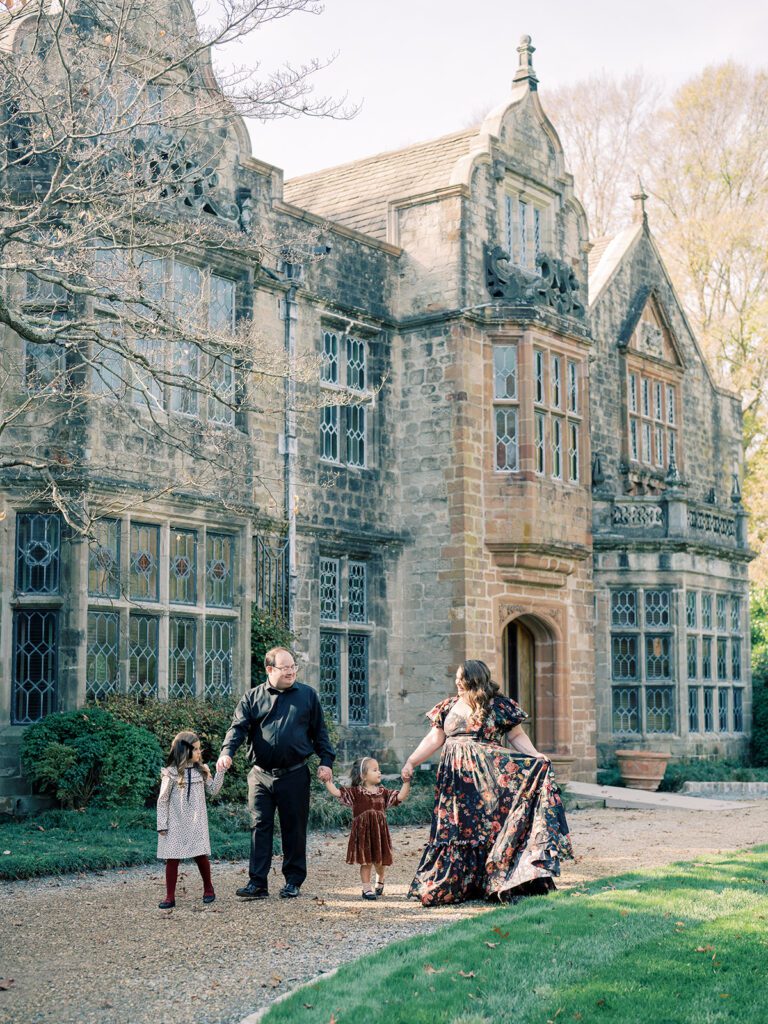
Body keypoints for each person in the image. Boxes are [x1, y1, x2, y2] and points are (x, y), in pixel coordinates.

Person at [403, 659, 573, 906]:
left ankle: (495, 881)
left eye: (462, 678)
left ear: (474, 680)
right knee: (457, 826)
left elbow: (516, 735)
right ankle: (455, 885)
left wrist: (535, 756)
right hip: (456, 779)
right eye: (457, 679)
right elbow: (433, 739)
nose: (457, 682)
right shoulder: (448, 706)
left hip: (489, 779)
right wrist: (411, 761)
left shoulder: (499, 705)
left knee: (488, 827)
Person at [216, 646, 335, 900]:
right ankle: (257, 883)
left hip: (294, 774)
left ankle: (293, 881)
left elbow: (320, 734)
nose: (291, 671)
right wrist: (227, 752)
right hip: (260, 775)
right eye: (285, 667)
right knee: (259, 826)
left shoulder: (308, 696)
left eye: (294, 666)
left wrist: (326, 761)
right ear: (269, 669)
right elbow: (237, 728)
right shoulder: (252, 698)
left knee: (294, 828)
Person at [323, 756, 411, 900]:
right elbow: (337, 793)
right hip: (363, 834)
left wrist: (406, 782)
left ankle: (380, 879)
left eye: (379, 769)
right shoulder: (355, 793)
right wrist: (327, 781)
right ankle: (366, 889)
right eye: (375, 770)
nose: (379, 772)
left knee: (380, 862)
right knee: (366, 861)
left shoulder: (383, 793)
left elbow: (400, 796)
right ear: (363, 775)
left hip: (379, 833)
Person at [156, 731, 226, 909]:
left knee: (201, 856)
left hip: (196, 821)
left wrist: (220, 771)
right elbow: (163, 800)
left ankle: (208, 888)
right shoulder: (170, 773)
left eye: (199, 749)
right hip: (175, 822)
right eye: (195, 749)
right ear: (183, 750)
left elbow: (213, 790)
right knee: (172, 858)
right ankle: (169, 896)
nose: (199, 753)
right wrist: (162, 824)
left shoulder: (201, 771)